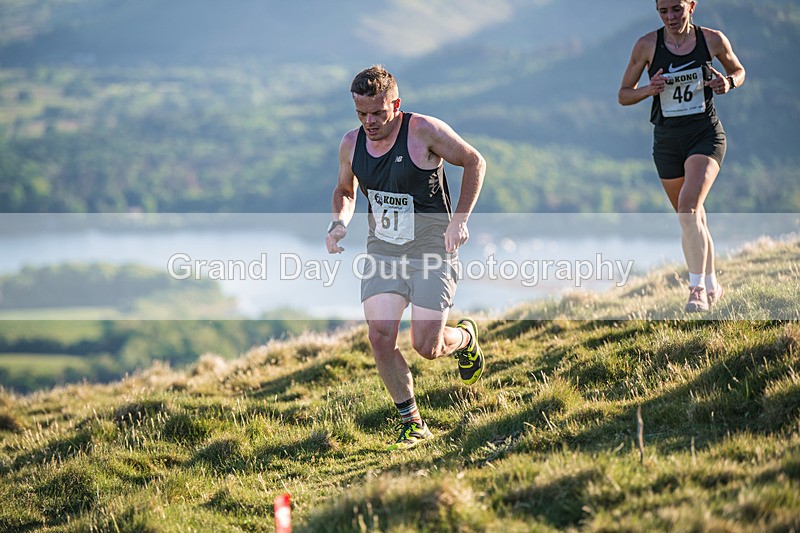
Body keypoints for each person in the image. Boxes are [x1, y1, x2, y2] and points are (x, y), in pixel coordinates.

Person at [325, 65, 486, 450]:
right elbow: (345, 190)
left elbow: (474, 162)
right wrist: (338, 223)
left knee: (426, 347)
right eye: (361, 114)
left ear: (395, 105)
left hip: (432, 247)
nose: (369, 122)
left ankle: (464, 339)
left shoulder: (423, 131)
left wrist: (459, 221)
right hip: (384, 250)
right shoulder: (351, 143)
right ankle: (412, 423)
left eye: (378, 113)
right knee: (380, 336)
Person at [618, 0, 745, 312]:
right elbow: (623, 94)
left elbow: (739, 70)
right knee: (692, 217)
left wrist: (727, 82)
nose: (671, 17)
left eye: (677, 9)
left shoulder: (712, 39)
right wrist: (649, 89)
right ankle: (714, 284)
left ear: (692, 6)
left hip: (705, 135)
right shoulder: (647, 45)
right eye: (663, 11)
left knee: (688, 208)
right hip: (666, 141)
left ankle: (697, 289)